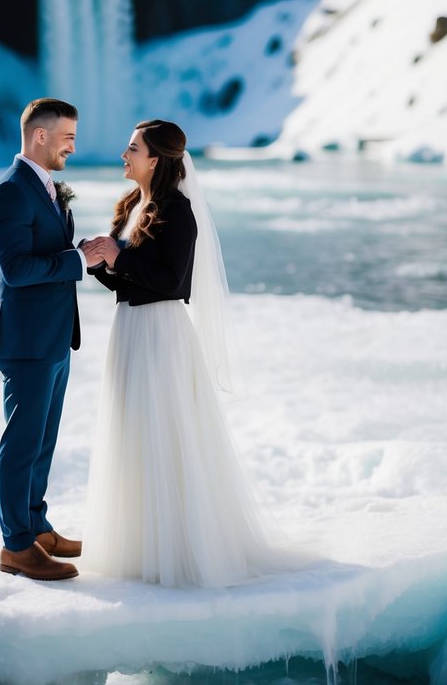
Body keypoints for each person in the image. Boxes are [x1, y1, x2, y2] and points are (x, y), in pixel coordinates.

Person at [83, 119, 292, 588]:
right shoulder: (134, 205)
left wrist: (119, 257)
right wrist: (100, 261)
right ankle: (139, 544)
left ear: (155, 160)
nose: (124, 155)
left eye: (132, 148)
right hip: (131, 330)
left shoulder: (178, 210)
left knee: (165, 432)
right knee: (134, 429)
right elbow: (130, 278)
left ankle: (178, 549)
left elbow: (171, 281)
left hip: (161, 333)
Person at [0, 98, 102, 581]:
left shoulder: (44, 187)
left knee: (43, 440)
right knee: (21, 441)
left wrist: (82, 252)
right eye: (68, 138)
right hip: (27, 340)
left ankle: (36, 526)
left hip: (53, 337)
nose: (73, 147)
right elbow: (15, 270)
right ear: (40, 137)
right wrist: (78, 262)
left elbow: (45, 250)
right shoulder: (9, 193)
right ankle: (15, 546)